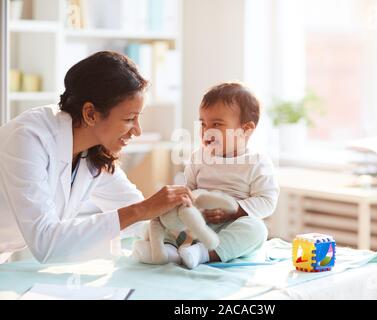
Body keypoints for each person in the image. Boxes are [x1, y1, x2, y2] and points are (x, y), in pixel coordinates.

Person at [0, 51, 192, 264]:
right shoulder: (28, 138)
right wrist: (142, 210)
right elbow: (46, 243)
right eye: (129, 118)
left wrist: (190, 232)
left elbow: (140, 216)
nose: (137, 131)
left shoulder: (92, 152)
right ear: (90, 114)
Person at [133, 82, 280, 269]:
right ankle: (167, 250)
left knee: (257, 230)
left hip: (231, 227)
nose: (206, 131)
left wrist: (235, 211)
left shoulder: (258, 161)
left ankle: (204, 253)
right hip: (196, 223)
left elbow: (267, 201)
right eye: (203, 123)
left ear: (246, 129)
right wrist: (183, 204)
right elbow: (189, 189)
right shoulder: (198, 157)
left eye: (216, 124)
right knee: (162, 221)